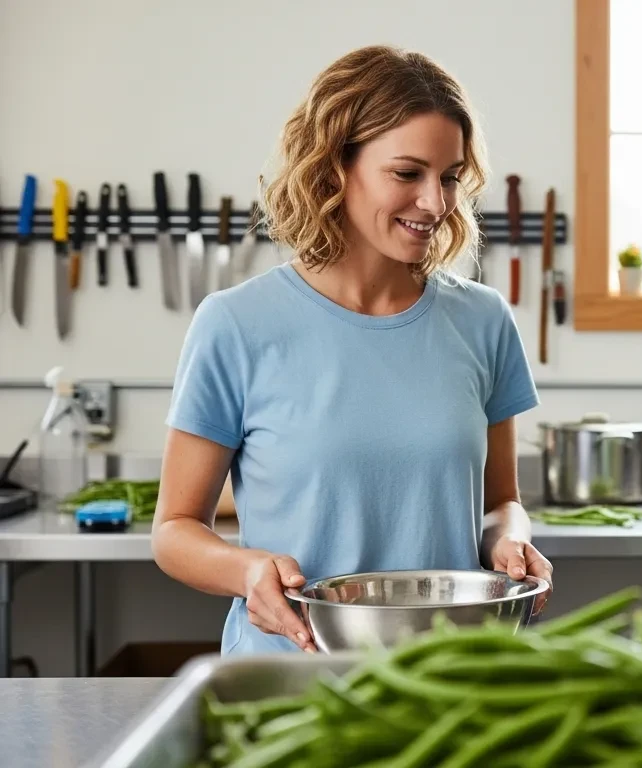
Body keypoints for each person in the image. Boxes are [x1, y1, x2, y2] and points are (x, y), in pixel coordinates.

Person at [151, 45, 551, 655]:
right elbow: (175, 530)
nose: (436, 203)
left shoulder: (482, 319)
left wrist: (508, 541)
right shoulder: (236, 324)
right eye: (407, 174)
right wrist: (246, 571)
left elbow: (501, 502)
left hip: (447, 675)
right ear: (336, 166)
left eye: (449, 177)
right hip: (289, 682)